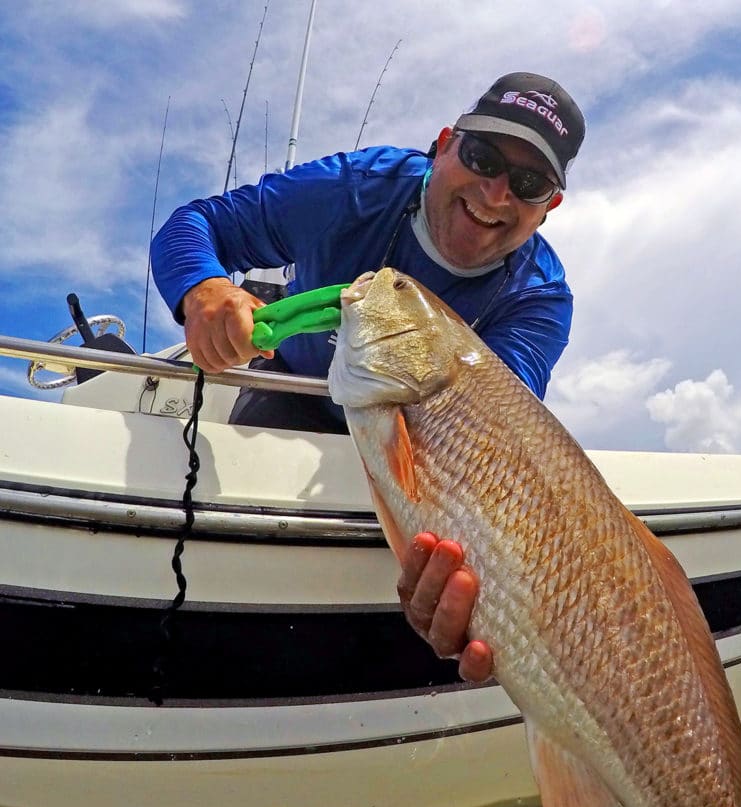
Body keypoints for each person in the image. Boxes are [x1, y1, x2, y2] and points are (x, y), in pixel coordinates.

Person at [150, 71, 585, 684]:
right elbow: (195, 225)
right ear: (442, 146)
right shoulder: (354, 188)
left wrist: (461, 566)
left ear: (549, 207)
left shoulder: (540, 297)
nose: (494, 193)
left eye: (528, 182)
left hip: (422, 449)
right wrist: (204, 289)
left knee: (453, 565)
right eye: (482, 156)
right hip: (296, 399)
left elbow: (487, 436)